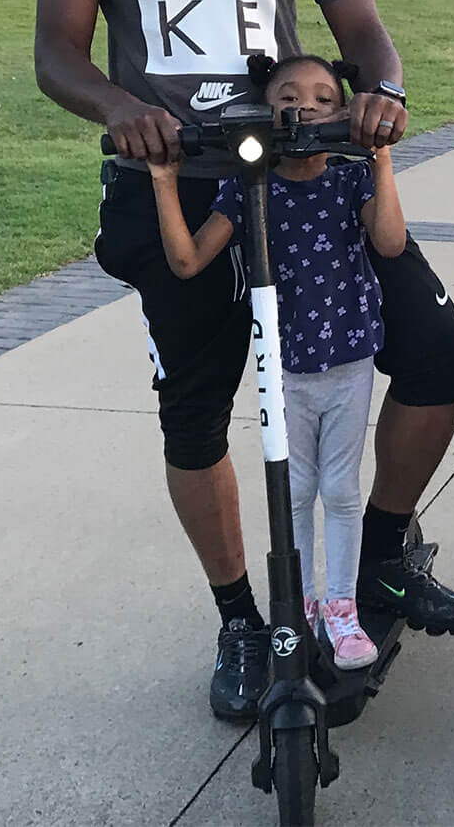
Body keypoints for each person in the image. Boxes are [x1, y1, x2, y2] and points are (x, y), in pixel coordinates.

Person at [34, 0, 454, 723]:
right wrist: (118, 108)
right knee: (196, 415)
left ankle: (375, 559)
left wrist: (386, 92)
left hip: (307, 182)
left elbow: (361, 28)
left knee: (435, 348)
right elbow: (59, 54)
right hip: (177, 185)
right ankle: (242, 619)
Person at [148, 53, 405, 668]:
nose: (305, 108)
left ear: (343, 113)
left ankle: (341, 606)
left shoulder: (351, 178)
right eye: (289, 97)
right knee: (293, 492)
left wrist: (381, 155)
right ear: (266, 112)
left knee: (341, 490)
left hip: (350, 361)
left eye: (322, 99)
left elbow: (391, 241)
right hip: (283, 367)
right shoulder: (247, 188)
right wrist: (162, 179)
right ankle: (305, 606)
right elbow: (187, 261)